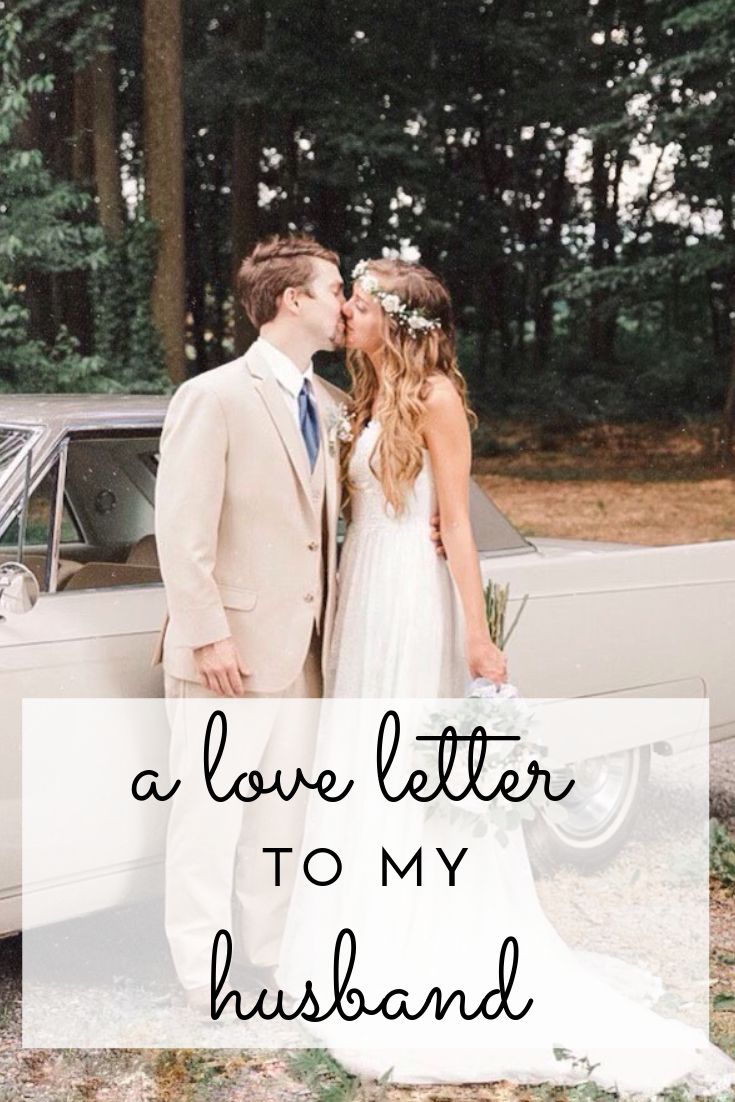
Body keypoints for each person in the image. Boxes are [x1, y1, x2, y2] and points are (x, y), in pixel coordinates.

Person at [276, 257, 735, 1097]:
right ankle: (343, 939)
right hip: (367, 601)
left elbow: (455, 524)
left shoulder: (439, 400)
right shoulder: (368, 397)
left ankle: (409, 949)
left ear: (397, 320)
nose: (345, 311)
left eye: (361, 300)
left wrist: (477, 639)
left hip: (414, 607)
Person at [153, 233, 347, 1012]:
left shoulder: (328, 405)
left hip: (300, 655)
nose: (344, 304)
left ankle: (268, 959)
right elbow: (181, 528)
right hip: (224, 656)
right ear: (291, 300)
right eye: (333, 289)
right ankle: (202, 977)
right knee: (206, 820)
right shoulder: (215, 395)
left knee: (281, 816)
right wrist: (205, 635)